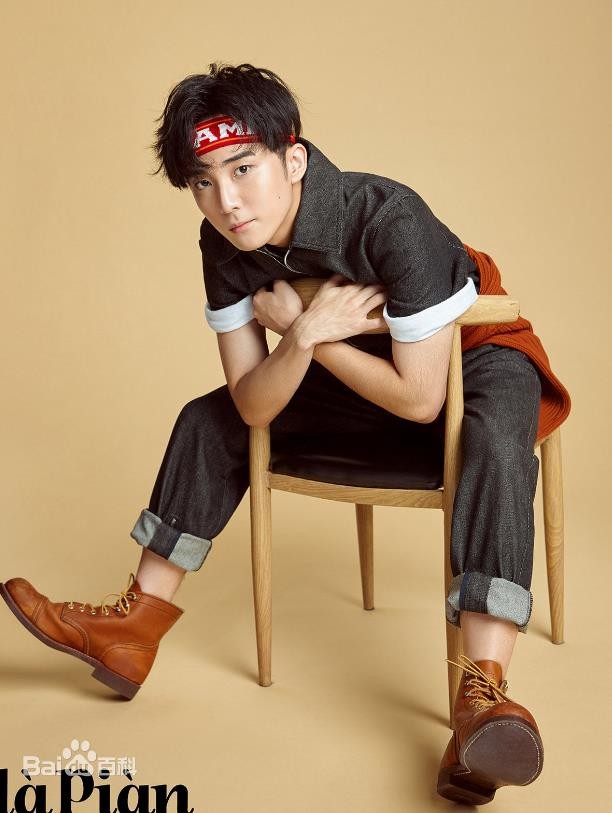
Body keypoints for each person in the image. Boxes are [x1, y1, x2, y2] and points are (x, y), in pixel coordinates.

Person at [1, 63, 570, 804]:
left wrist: (307, 332)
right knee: (207, 418)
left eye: (243, 169)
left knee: (493, 437)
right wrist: (304, 338)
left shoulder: (389, 217)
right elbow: (252, 404)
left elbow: (422, 399)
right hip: (362, 378)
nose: (226, 201)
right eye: (203, 182)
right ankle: (133, 625)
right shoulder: (222, 245)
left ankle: (480, 696)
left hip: (473, 360)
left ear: (293, 159)